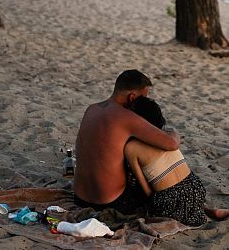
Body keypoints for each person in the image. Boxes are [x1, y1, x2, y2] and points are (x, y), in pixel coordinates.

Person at [74, 70, 181, 214]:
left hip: (80, 198)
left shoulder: (91, 109)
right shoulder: (126, 117)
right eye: (144, 98)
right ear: (132, 97)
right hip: (111, 202)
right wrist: (172, 131)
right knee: (152, 154)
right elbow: (171, 144)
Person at [125, 97, 229, 226]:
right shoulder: (167, 136)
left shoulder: (131, 148)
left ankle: (199, 209)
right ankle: (205, 209)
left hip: (171, 201)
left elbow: (146, 190)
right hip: (195, 188)